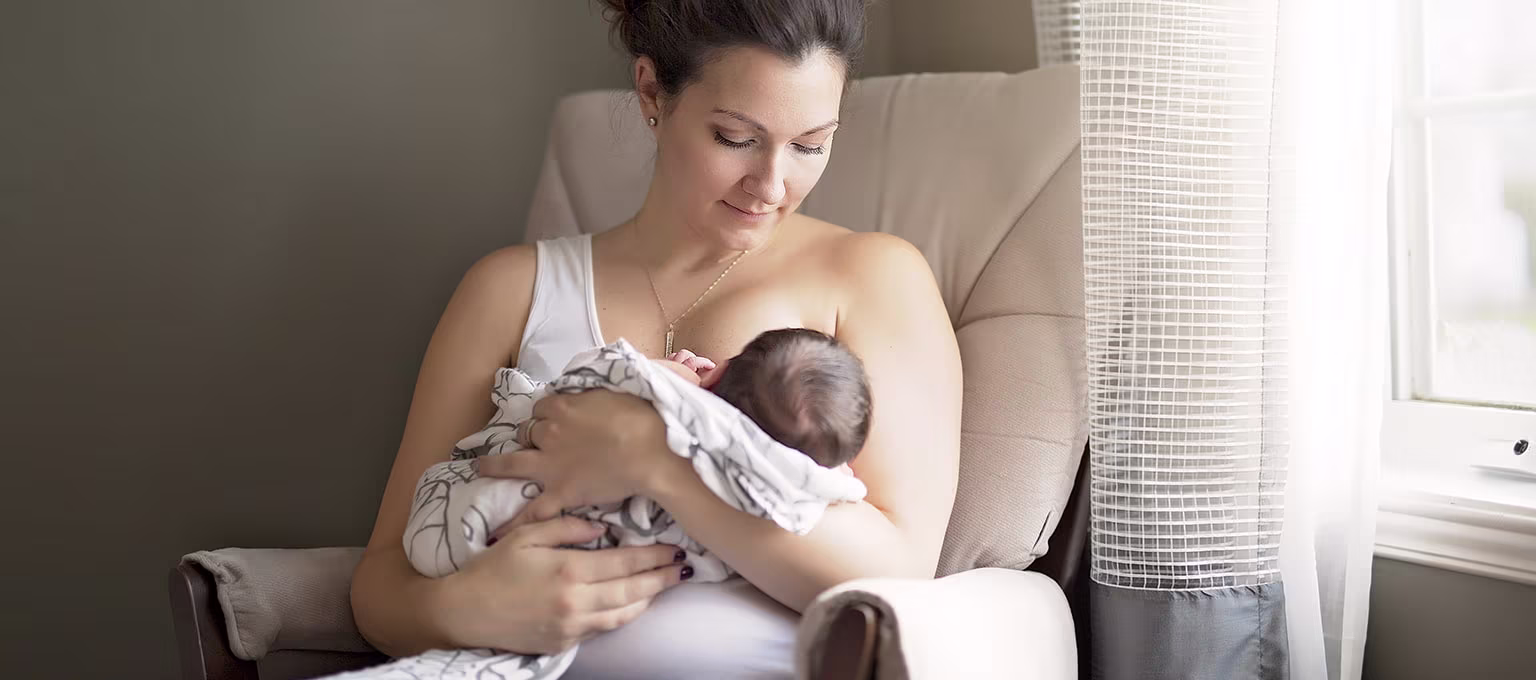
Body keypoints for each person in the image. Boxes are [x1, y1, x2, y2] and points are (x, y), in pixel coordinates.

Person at [348, 0, 963, 676]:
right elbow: (381, 583)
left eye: (812, 144)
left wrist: (653, 459)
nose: (773, 185)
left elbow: (901, 570)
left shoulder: (872, 276)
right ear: (651, 92)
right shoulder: (509, 290)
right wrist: (465, 607)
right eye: (735, 137)